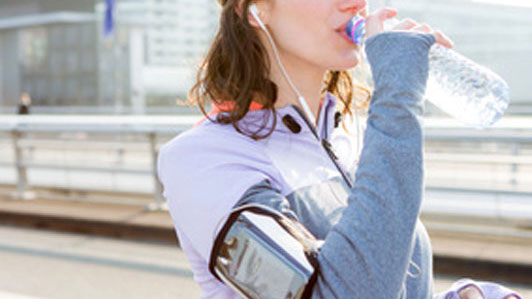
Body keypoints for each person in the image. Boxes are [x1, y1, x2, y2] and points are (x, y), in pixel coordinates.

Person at [157, 0, 522, 298]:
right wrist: (396, 99)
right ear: (253, 9)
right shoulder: (203, 160)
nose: (357, 3)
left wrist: (467, 295)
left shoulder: (354, 136)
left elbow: (386, 276)